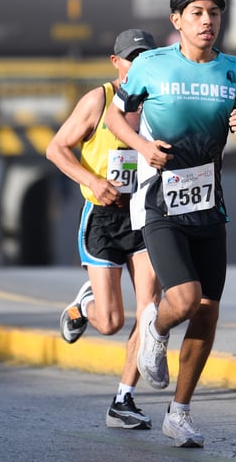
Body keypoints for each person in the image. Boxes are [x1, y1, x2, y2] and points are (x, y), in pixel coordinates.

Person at [104, 0, 236, 448]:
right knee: (186, 299)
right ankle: (154, 324)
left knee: (208, 311)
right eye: (196, 13)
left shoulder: (235, 71)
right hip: (161, 201)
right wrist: (142, 146)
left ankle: (180, 412)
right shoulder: (151, 65)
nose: (206, 21)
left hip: (210, 202)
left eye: (213, 13)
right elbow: (115, 116)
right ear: (177, 21)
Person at [46, 29, 161, 430]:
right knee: (111, 322)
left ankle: (123, 399)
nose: (140, 65)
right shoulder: (99, 99)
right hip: (103, 218)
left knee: (150, 309)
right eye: (133, 58)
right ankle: (83, 307)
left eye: (148, 57)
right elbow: (56, 148)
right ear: (116, 62)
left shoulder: (159, 100)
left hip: (146, 215)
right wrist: (93, 182)